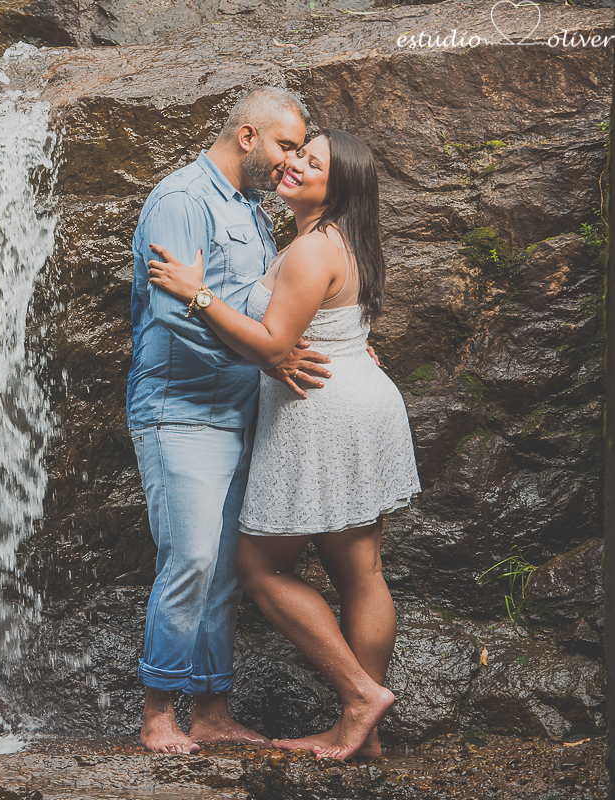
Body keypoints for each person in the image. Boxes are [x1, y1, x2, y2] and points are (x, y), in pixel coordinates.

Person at [146, 129, 421, 761]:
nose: (293, 164)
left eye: (312, 161)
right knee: (363, 572)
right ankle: (366, 734)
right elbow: (333, 323)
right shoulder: (347, 240)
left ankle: (358, 698)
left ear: (339, 183)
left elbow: (272, 347)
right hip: (361, 399)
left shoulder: (309, 250)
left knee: (258, 568)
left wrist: (197, 292)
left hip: (319, 412)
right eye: (296, 152)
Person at [127, 86, 336, 755]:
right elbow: (172, 317)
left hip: (238, 412)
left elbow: (262, 307)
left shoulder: (251, 210)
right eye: (283, 147)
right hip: (179, 414)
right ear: (247, 134)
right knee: (188, 557)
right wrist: (270, 358)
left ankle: (212, 714)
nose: (287, 164)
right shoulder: (182, 201)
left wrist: (333, 340)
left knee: (221, 570)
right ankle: (158, 716)